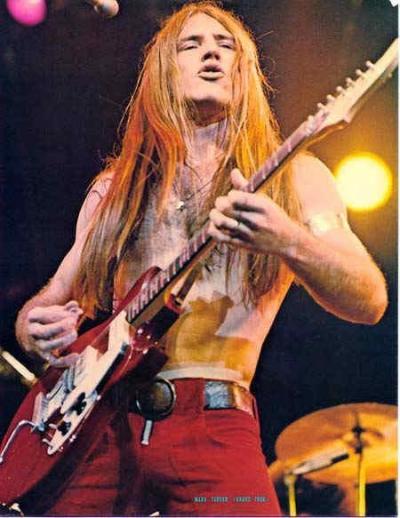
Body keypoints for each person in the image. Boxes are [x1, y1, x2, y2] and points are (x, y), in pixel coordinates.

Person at [14, 1, 387, 516]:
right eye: (192, 45)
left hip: (216, 426)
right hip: (104, 426)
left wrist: (288, 239)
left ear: (245, 72)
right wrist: (34, 327)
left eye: (226, 46)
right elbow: (47, 303)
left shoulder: (296, 179)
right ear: (163, 72)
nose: (211, 53)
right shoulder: (115, 190)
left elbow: (369, 299)